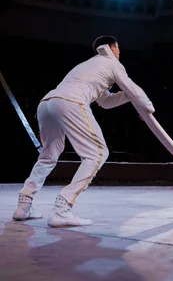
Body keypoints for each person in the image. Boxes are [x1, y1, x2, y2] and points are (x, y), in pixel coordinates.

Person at [12, 35, 155, 227]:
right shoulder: (113, 64)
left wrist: (129, 98)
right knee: (97, 153)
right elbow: (132, 87)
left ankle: (24, 205)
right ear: (112, 48)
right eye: (118, 48)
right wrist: (147, 108)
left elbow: (105, 102)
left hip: (47, 103)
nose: (119, 52)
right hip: (70, 101)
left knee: (48, 155)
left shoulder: (90, 65)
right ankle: (62, 209)